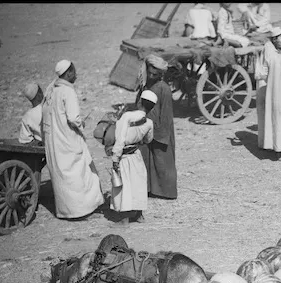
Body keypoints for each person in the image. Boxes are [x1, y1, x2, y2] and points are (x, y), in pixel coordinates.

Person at [41, 60, 104, 220]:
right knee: (78, 173)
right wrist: (82, 124)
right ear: (68, 73)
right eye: (74, 72)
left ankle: (66, 210)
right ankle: (80, 211)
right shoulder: (67, 92)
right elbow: (73, 118)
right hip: (67, 139)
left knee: (63, 175)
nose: (76, 75)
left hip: (54, 139)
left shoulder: (51, 89)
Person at [110, 90, 156, 225]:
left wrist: (115, 157)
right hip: (136, 155)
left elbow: (120, 139)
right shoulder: (149, 122)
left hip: (124, 156)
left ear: (139, 102)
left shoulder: (127, 116)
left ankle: (124, 219)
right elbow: (148, 139)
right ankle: (139, 215)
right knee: (139, 184)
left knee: (124, 186)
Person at [136, 55, 178, 200]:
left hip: (160, 131)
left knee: (162, 161)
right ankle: (149, 189)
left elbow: (166, 114)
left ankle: (166, 191)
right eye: (150, 73)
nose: (152, 76)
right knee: (145, 159)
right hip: (145, 128)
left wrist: (160, 134)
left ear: (161, 74)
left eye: (156, 74)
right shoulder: (145, 85)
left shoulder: (164, 89)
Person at [255, 27, 281, 148]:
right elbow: (273, 66)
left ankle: (267, 142)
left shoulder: (270, 47)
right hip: (266, 82)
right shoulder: (270, 49)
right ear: (275, 38)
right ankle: (267, 143)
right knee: (267, 112)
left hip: (266, 80)